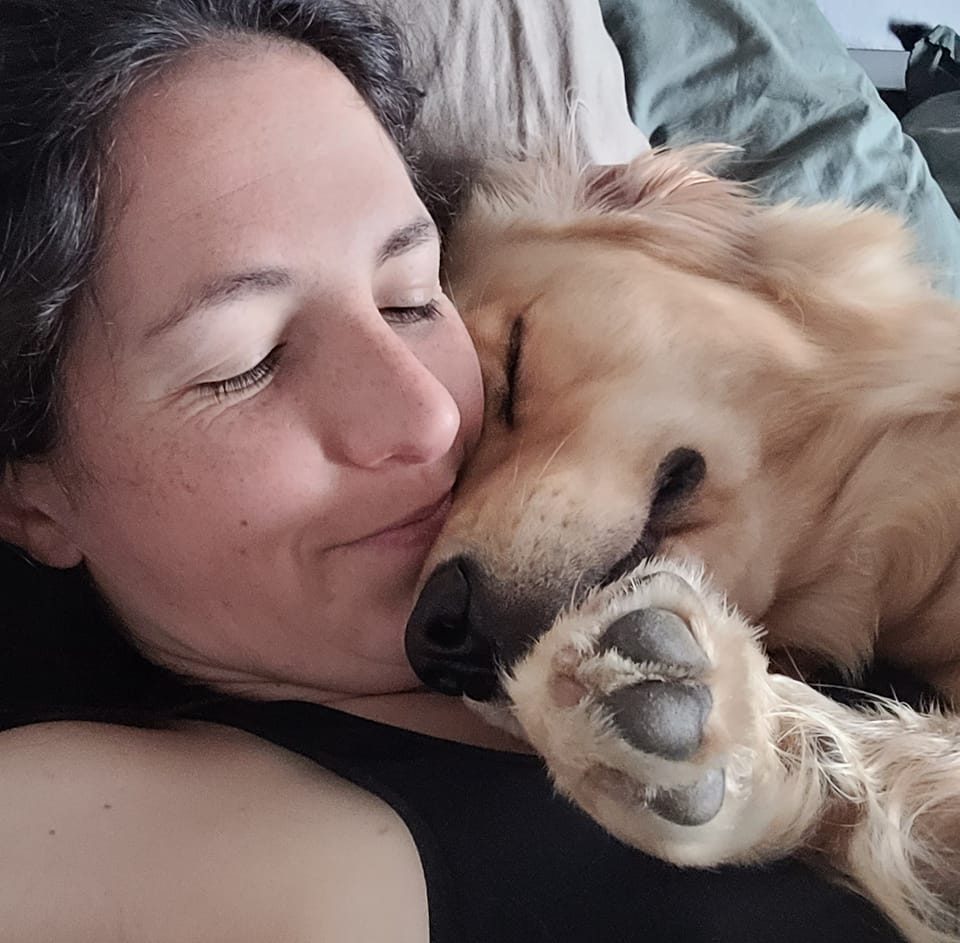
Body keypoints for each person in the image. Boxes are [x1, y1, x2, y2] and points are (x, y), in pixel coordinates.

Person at [0, 1, 908, 940]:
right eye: (246, 362)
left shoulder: (705, 566)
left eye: (410, 299)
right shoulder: (116, 829)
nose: (430, 415)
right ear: (29, 497)